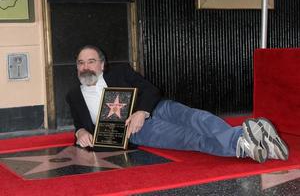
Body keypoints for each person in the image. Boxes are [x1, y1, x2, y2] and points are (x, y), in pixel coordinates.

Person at [66, 45, 289, 163]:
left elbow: (151, 90)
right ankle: (253, 141)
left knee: (197, 118)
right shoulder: (73, 95)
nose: (86, 66)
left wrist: (142, 111)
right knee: (190, 139)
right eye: (81, 62)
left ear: (102, 65)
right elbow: (80, 124)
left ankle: (245, 142)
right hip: (135, 131)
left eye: (91, 61)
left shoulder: (121, 72)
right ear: (77, 67)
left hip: (155, 108)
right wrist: (80, 132)